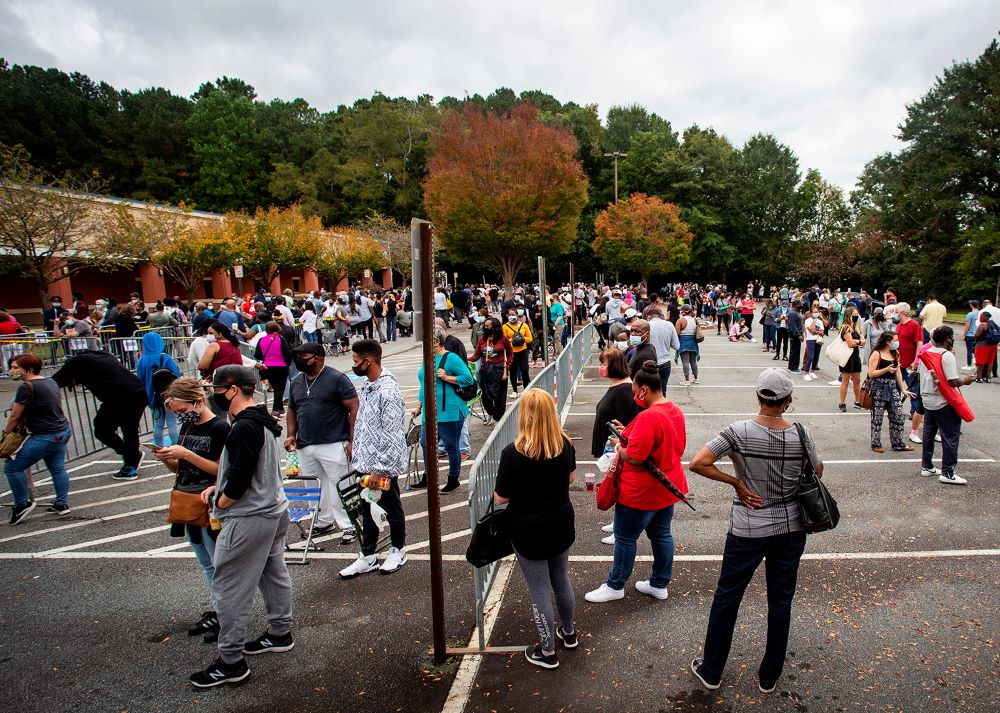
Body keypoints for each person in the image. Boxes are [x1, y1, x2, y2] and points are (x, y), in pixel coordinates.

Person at [688, 368, 822, 694]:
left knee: (728, 597)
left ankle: (712, 669)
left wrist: (736, 481)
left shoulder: (738, 432)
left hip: (748, 527)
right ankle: (769, 675)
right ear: (788, 400)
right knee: (780, 600)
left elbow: (698, 462)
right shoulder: (801, 435)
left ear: (758, 396)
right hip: (791, 527)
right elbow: (817, 471)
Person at [189, 366, 294, 688]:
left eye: (217, 389)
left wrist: (221, 502)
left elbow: (240, 477)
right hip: (273, 510)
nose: (213, 396)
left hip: (250, 517)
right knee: (273, 572)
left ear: (232, 390)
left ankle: (231, 661)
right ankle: (280, 632)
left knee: (230, 586)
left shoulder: (244, 427)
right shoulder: (263, 421)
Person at [585, 361, 687, 604]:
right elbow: (675, 446)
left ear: (643, 390)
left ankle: (615, 584)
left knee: (625, 537)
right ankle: (659, 583)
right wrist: (628, 433)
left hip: (641, 492)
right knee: (662, 534)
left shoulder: (648, 417)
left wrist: (620, 448)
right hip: (668, 486)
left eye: (635, 392)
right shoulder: (674, 410)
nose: (634, 397)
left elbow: (636, 457)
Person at [494, 389, 577, 670]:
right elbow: (571, 477)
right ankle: (568, 633)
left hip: (528, 529)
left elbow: (501, 498)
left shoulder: (513, 453)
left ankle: (547, 651)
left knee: (539, 588)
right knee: (561, 579)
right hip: (560, 523)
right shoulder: (564, 444)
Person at [157, 377, 231, 643]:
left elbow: (223, 470)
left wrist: (187, 455)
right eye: (177, 413)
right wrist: (170, 459)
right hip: (186, 500)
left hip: (209, 504)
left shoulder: (220, 428)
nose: (181, 417)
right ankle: (218, 610)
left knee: (218, 564)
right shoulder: (187, 429)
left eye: (182, 411)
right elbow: (181, 469)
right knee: (207, 564)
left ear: (198, 401)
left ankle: (227, 617)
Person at [339, 340, 409, 578]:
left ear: (368, 361)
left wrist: (380, 469)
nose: (354, 365)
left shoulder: (387, 390)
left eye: (356, 361)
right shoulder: (369, 386)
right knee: (366, 507)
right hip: (365, 462)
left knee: (391, 506)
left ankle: (398, 549)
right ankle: (367, 555)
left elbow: (391, 433)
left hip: (381, 466)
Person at [285, 343, 359, 543]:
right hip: (306, 443)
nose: (299, 360)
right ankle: (322, 521)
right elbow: (292, 409)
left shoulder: (337, 378)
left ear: (318, 357)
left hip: (334, 441)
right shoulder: (297, 381)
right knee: (313, 486)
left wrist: (352, 440)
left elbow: (354, 407)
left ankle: (349, 525)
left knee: (340, 484)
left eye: (303, 356)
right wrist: (291, 434)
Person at [52, 349, 147, 481]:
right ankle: (131, 461)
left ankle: (131, 459)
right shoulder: (102, 355)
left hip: (119, 397)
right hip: (137, 391)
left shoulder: (75, 363)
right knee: (129, 429)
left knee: (102, 429)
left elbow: (53, 382)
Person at [3, 354, 72, 523]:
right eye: (11, 367)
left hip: (46, 435)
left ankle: (21, 505)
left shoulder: (26, 388)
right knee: (57, 467)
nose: (11, 371)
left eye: (15, 368)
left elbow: (14, 416)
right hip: (62, 430)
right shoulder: (50, 381)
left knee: (12, 468)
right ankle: (61, 504)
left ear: (29, 369)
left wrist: (6, 435)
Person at [412, 327, 475, 493]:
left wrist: (448, 378)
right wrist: (419, 406)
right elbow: (423, 384)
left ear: (437, 341)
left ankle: (453, 479)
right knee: (425, 444)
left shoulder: (451, 358)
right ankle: (429, 476)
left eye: (428, 340)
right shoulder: (428, 358)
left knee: (450, 445)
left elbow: (468, 378)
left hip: (450, 411)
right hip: (429, 411)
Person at [867, 332, 917, 453]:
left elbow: (898, 372)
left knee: (898, 415)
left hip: (892, 386)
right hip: (879, 387)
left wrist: (903, 389)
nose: (897, 342)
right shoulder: (876, 353)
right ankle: (876, 443)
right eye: (895, 340)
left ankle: (898, 443)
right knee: (877, 418)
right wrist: (886, 369)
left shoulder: (896, 353)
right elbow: (871, 373)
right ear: (888, 341)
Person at [136, 331, 183, 446]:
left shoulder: (141, 360)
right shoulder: (165, 357)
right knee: (172, 423)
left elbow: (140, 378)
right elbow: (176, 374)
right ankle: (176, 446)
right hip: (169, 394)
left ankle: (158, 448)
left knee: (158, 424)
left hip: (151, 395)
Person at [470, 318, 512, 425]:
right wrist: (464, 359)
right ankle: (491, 413)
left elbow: (510, 354)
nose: (486, 328)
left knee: (500, 396)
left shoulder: (503, 339)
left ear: (495, 327)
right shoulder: (482, 340)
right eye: (485, 326)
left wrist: (507, 367)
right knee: (485, 396)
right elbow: (476, 355)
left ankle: (498, 418)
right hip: (485, 371)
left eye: (488, 326)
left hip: (499, 371)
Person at [893, 304, 925, 444]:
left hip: (909, 363)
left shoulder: (914, 325)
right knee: (896, 388)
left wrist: (916, 360)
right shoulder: (899, 325)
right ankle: (895, 409)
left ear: (902, 312)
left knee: (913, 389)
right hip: (898, 362)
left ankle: (914, 412)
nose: (895, 314)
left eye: (897, 312)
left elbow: (919, 343)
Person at [253, 322, 293, 419]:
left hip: (266, 367)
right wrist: (287, 363)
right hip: (281, 367)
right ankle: (276, 410)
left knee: (271, 388)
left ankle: (278, 409)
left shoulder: (261, 340)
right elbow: (287, 353)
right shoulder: (281, 339)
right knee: (279, 389)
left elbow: (257, 355)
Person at [836, 306, 865, 412]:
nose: (856, 317)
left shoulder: (856, 327)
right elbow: (850, 343)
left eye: (857, 315)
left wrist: (858, 341)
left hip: (855, 356)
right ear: (849, 315)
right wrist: (859, 342)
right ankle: (842, 403)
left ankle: (857, 401)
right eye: (854, 315)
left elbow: (863, 340)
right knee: (845, 380)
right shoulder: (845, 327)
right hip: (846, 356)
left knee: (857, 380)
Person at [646, 306, 679, 394]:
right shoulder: (669, 325)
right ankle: (661, 407)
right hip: (665, 361)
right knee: (662, 390)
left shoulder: (646, 325)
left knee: (649, 391)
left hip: (649, 362)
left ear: (648, 315)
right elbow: (676, 346)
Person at [503, 307, 534, 395]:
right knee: (512, 371)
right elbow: (504, 340)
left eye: (513, 315)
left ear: (517, 315)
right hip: (511, 352)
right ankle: (514, 390)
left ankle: (526, 388)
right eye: (509, 315)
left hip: (522, 350)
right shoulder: (505, 326)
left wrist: (521, 339)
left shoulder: (524, 325)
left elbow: (529, 339)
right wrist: (513, 340)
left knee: (524, 369)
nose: (511, 316)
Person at [675, 304, 700, 385]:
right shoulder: (695, 319)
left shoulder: (680, 321)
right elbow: (698, 329)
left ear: (683, 312)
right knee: (693, 361)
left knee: (685, 361)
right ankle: (696, 379)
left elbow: (677, 333)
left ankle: (687, 381)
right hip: (693, 342)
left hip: (683, 342)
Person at [802, 306, 825, 380]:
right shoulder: (808, 321)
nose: (816, 313)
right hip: (810, 339)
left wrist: (815, 331)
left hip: (818, 340)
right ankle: (806, 372)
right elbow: (810, 329)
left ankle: (812, 371)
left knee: (816, 356)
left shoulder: (820, 321)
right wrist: (814, 323)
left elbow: (822, 333)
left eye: (817, 312)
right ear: (811, 313)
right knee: (810, 356)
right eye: (814, 312)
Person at [973, 311, 997, 383]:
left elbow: (977, 335)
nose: (980, 318)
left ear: (986, 317)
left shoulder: (983, 325)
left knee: (980, 362)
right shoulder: (994, 324)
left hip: (983, 345)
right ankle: (988, 377)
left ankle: (979, 377)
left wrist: (974, 342)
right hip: (993, 345)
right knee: (990, 362)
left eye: (982, 316)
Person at [786, 301, 804, 373]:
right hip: (795, 334)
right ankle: (793, 367)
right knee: (794, 351)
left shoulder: (797, 312)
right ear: (795, 305)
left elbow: (799, 324)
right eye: (799, 305)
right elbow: (792, 325)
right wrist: (798, 334)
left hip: (798, 333)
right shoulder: (792, 313)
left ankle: (792, 367)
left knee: (795, 351)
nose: (800, 306)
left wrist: (801, 333)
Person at [962, 301, 981, 373]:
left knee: (969, 350)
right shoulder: (980, 313)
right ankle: (976, 364)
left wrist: (964, 334)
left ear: (971, 305)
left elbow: (967, 325)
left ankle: (968, 365)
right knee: (976, 350)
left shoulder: (970, 314)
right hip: (978, 334)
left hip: (970, 334)